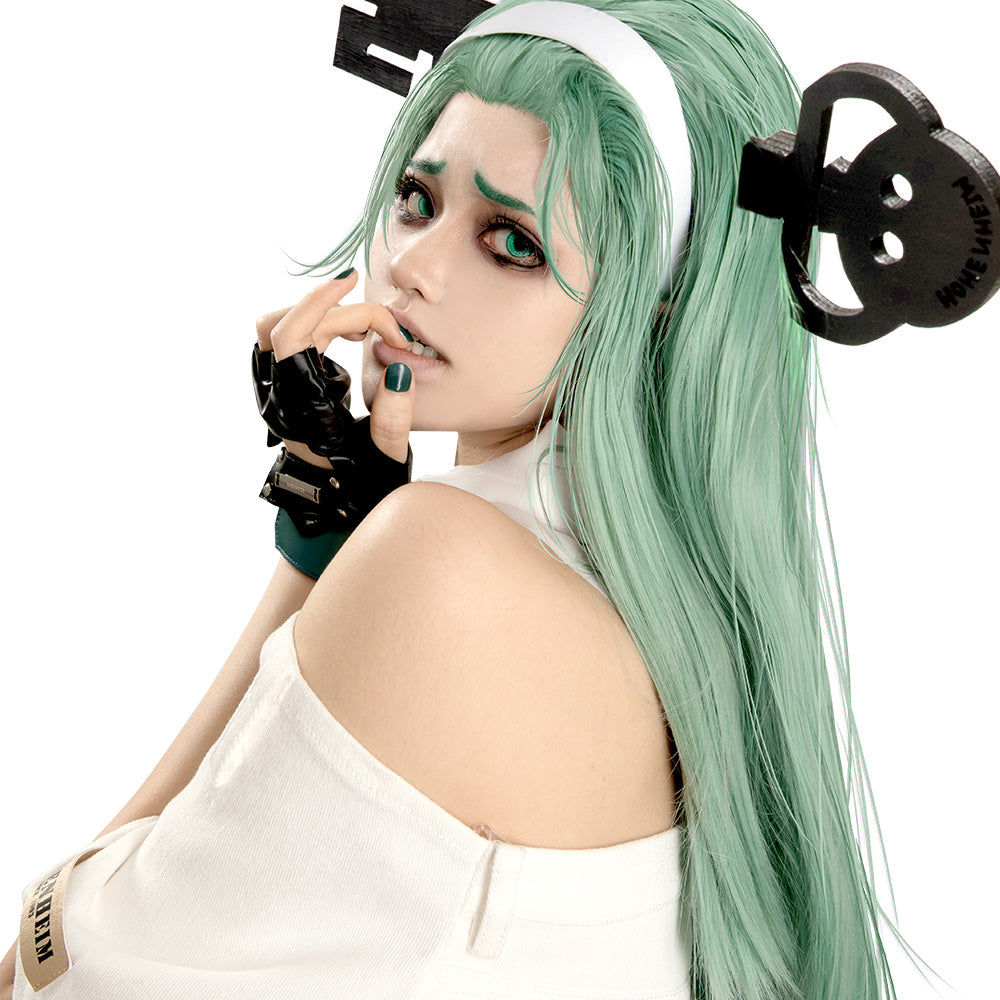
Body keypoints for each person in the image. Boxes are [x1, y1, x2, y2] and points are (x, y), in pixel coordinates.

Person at [3, 1, 996, 998]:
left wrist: (318, 565)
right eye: (416, 198)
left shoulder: (442, 562)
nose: (412, 268)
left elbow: (55, 972)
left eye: (512, 243)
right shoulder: (676, 619)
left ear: (656, 305)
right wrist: (335, 538)